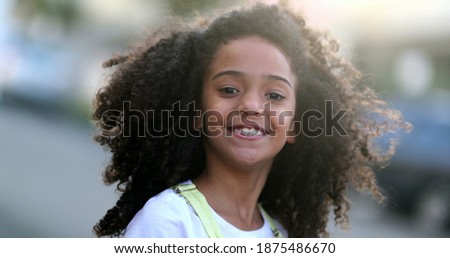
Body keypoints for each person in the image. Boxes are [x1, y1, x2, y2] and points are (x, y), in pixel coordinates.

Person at [91, 2, 411, 238]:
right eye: (229, 89)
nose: (252, 106)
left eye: (274, 95)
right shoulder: (168, 223)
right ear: (196, 114)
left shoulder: (281, 236)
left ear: (296, 125)